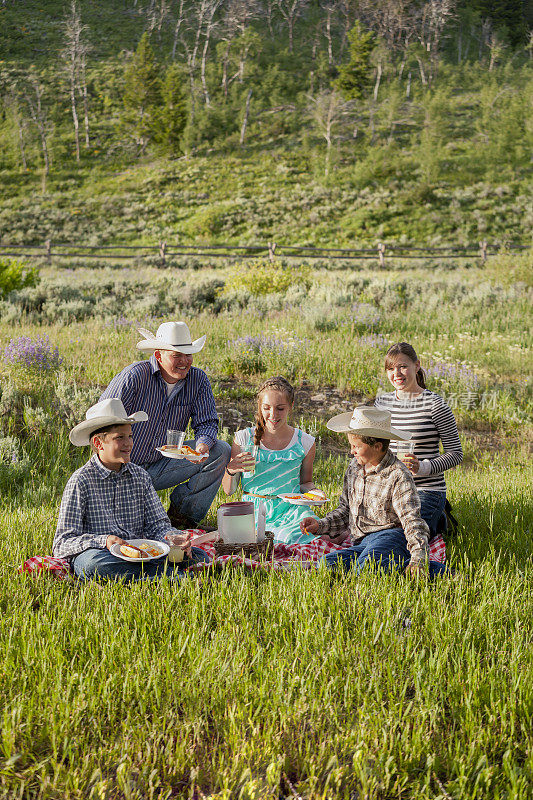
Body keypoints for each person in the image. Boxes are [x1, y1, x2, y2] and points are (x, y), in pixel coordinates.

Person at [53, 399, 210, 582]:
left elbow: (157, 525)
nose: (128, 443)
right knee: (93, 565)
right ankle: (170, 577)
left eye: (130, 436)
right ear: (98, 443)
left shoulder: (140, 476)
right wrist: (104, 541)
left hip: (141, 553)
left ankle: (155, 575)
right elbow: (62, 543)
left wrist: (171, 538)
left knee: (199, 555)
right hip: (102, 555)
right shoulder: (81, 481)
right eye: (120, 437)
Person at [99, 321, 231, 530]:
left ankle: (182, 520)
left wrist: (203, 446)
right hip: (124, 470)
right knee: (129, 529)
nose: (184, 361)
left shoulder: (198, 379)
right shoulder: (134, 376)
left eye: (188, 354)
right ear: (158, 356)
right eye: (177, 355)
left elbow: (207, 422)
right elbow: (103, 420)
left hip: (163, 463)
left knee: (220, 450)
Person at [301, 406, 446, 577]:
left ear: (377, 446)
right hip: (362, 541)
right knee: (327, 565)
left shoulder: (397, 474)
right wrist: (320, 525)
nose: (351, 451)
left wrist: (419, 557)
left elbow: (412, 520)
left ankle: (437, 572)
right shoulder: (354, 467)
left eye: (356, 446)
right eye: (351, 445)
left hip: (391, 537)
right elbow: (345, 510)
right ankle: (397, 565)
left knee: (367, 569)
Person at [222, 376, 327, 545]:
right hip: (254, 510)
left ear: (290, 407)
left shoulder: (304, 442)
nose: (273, 414)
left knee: (304, 534)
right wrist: (231, 470)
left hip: (292, 510)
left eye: (280, 408)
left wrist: (315, 493)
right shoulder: (243, 439)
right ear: (259, 407)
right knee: (276, 540)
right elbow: (229, 491)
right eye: (267, 408)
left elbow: (306, 483)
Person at [375, 342, 463, 539]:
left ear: (417, 365)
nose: (396, 373)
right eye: (390, 368)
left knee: (400, 535)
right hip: (390, 488)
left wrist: (421, 467)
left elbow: (456, 454)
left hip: (425, 490)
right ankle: (437, 521)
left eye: (402, 366)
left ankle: (438, 515)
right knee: (367, 529)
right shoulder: (382, 403)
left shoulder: (435, 404)